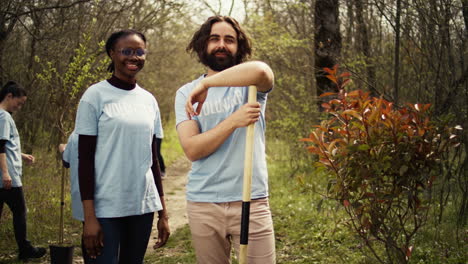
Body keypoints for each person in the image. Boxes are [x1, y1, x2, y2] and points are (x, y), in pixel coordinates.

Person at [174, 16, 276, 264]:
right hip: (204, 202)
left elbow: (262, 70)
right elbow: (193, 149)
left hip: (251, 199)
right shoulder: (187, 93)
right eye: (214, 39)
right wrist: (233, 121)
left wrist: (207, 83)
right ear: (203, 45)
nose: (222, 44)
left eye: (229, 40)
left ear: (238, 47)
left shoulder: (249, 85)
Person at [74, 29, 170, 264]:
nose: (134, 57)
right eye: (126, 51)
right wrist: (89, 217)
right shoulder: (94, 96)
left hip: (142, 207)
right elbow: (84, 160)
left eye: (139, 52)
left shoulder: (149, 100)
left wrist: (163, 212)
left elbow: (153, 159)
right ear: (112, 54)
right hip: (104, 209)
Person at [0, 81, 46, 261]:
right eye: (18, 103)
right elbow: (1, 146)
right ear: (9, 96)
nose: (19, 107)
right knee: (20, 211)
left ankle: (24, 248)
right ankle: (25, 249)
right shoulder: (3, 116)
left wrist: (22, 155)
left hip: (4, 174)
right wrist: (5, 173)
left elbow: (7, 145)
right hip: (8, 176)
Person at [59, 132, 91, 263]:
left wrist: (62, 149)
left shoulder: (75, 135)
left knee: (88, 229)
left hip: (84, 193)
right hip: (106, 192)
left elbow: (66, 162)